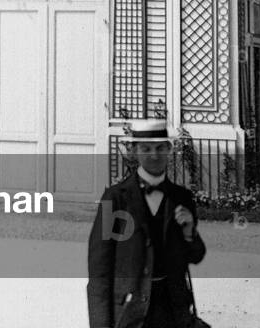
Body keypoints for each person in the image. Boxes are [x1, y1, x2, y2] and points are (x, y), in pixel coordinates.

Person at [87, 118, 207, 327]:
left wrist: (190, 232)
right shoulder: (115, 198)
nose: (154, 155)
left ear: (169, 149)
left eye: (160, 148)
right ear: (134, 151)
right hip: (130, 312)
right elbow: (100, 270)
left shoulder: (181, 198)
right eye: (146, 148)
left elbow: (195, 256)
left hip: (172, 312)